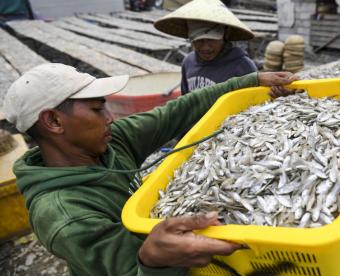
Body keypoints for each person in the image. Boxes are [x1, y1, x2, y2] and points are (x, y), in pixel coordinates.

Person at [4, 63, 297, 275]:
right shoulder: (65, 217)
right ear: (54, 122)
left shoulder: (110, 142)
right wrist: (152, 261)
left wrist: (249, 81)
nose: (109, 118)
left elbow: (173, 113)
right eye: (96, 109)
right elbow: (130, 270)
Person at [154, 0, 258, 95]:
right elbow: (185, 102)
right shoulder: (189, 62)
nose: (205, 47)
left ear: (224, 35)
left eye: (211, 40)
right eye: (198, 41)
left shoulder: (242, 67)